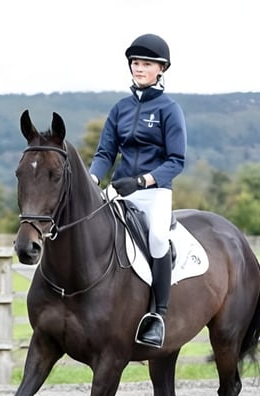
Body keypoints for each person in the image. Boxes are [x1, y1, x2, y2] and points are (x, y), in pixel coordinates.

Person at [89, 33, 187, 348]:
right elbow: (105, 152)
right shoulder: (120, 108)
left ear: (161, 69)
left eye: (146, 64)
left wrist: (143, 180)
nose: (139, 68)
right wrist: (93, 180)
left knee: (158, 238)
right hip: (119, 189)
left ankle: (158, 314)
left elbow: (176, 161)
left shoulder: (169, 110)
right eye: (135, 63)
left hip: (155, 192)